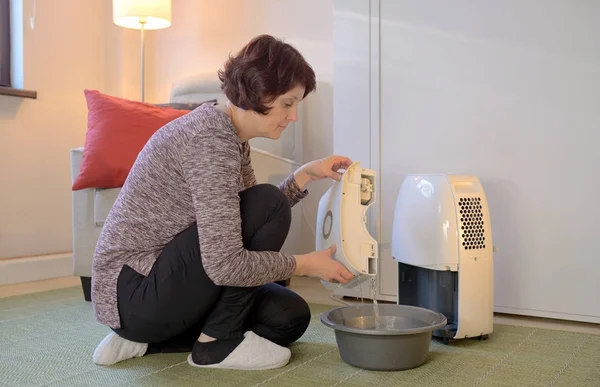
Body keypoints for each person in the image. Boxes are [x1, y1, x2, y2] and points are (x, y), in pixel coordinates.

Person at [90, 34, 356, 371]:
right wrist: (304, 264)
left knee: (289, 317)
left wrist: (304, 176)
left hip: (160, 289)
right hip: (136, 291)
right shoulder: (210, 138)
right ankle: (216, 344)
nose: (293, 117)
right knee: (268, 205)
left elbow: (250, 220)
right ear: (259, 91)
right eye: (289, 103)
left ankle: (149, 341)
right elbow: (226, 262)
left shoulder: (230, 136)